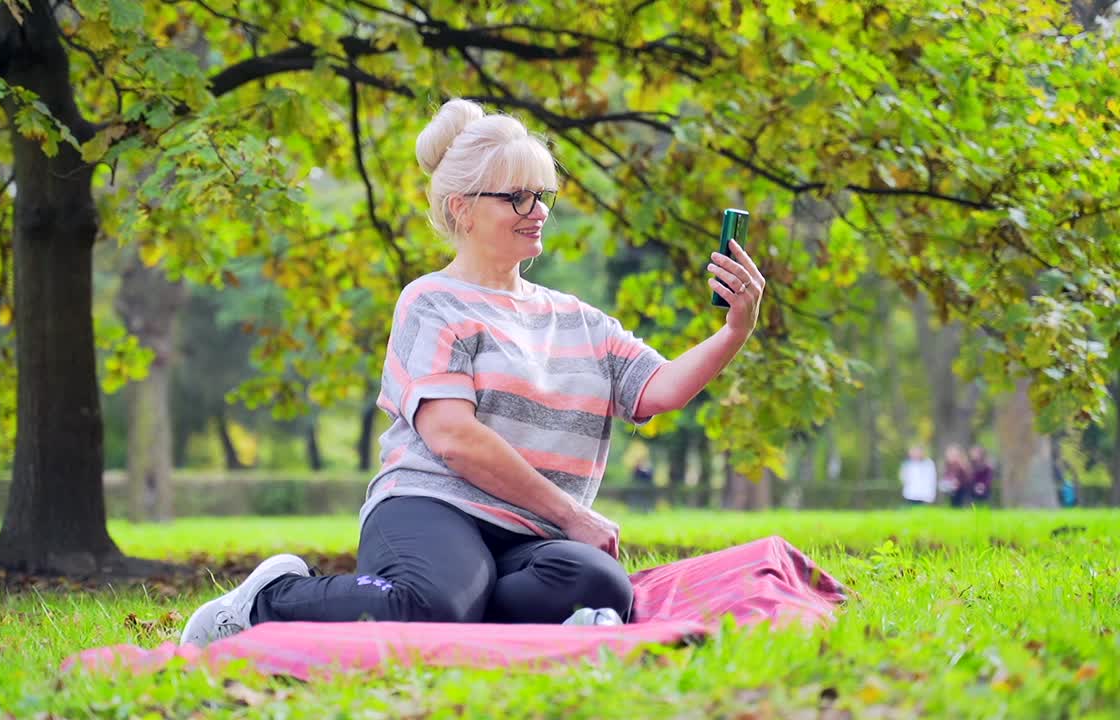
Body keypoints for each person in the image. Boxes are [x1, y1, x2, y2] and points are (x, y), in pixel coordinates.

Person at [180, 99, 767, 646]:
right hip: (433, 506)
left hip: (530, 536)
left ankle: (473, 610)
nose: (537, 211)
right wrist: (570, 514)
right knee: (429, 603)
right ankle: (268, 599)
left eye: (543, 195)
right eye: (517, 197)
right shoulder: (432, 302)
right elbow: (453, 439)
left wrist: (733, 330)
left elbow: (656, 390)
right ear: (460, 207)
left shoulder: (578, 319)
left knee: (601, 584)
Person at [941, 444, 972, 508]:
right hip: (951, 489)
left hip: (962, 490)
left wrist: (958, 482)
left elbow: (967, 478)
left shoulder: (962, 465)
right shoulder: (948, 465)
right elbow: (946, 475)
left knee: (959, 504)